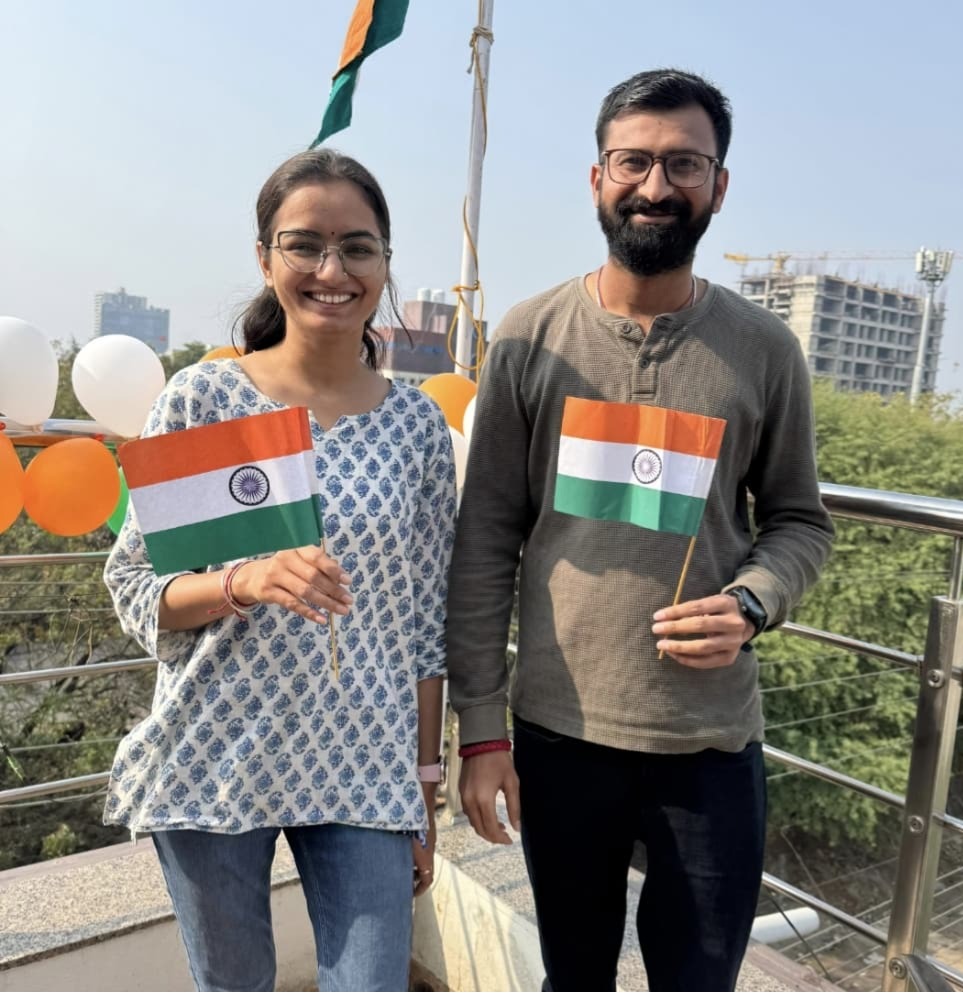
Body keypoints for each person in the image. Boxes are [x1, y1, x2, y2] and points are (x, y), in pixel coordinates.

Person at [446, 68, 834, 992]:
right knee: (573, 977)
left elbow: (797, 522)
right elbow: (486, 536)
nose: (655, 187)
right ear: (596, 177)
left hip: (708, 743)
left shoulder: (764, 351)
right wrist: (483, 729)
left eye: (684, 164)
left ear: (717, 186)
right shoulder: (528, 337)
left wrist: (752, 600)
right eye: (634, 162)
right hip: (557, 732)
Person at [103, 148, 457, 992]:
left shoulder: (415, 426)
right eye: (305, 245)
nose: (331, 269)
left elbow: (427, 624)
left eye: (358, 248)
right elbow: (135, 590)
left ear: (383, 264)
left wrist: (425, 785)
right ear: (266, 259)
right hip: (215, 754)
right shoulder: (205, 400)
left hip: (367, 766)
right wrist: (245, 581)